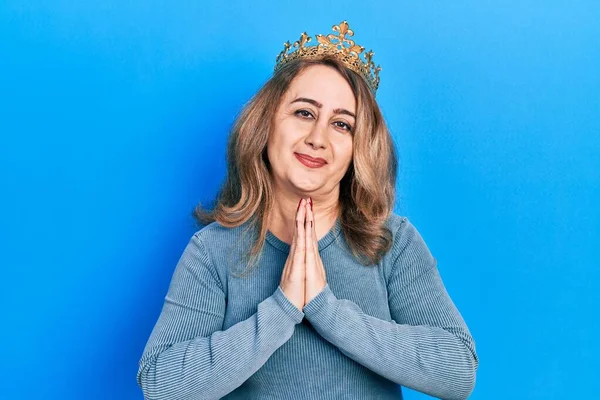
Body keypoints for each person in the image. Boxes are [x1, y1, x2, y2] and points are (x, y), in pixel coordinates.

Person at [136, 20, 479, 400]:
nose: (318, 138)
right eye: (303, 113)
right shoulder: (213, 251)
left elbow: (458, 370)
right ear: (265, 124)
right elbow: (161, 384)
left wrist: (326, 309)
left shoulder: (391, 243)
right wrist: (282, 308)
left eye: (341, 124)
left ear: (358, 148)